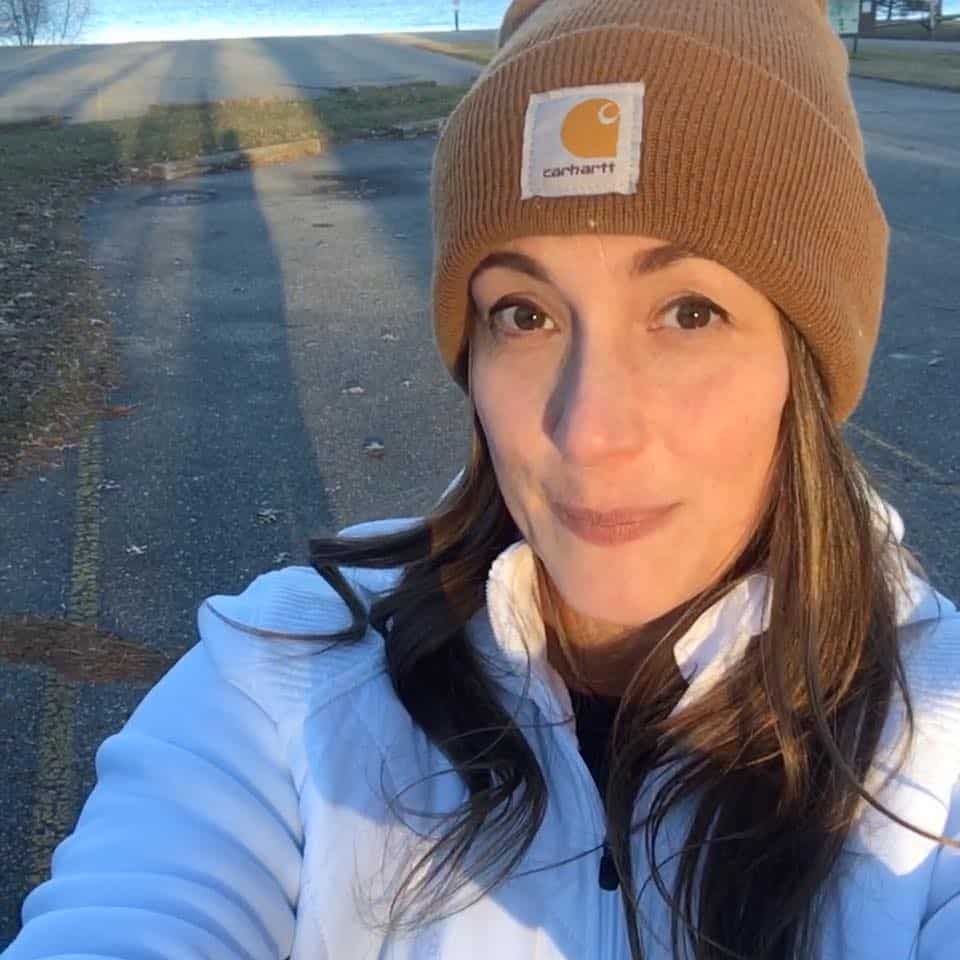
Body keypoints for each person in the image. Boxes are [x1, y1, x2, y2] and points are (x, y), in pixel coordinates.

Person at [5, 1, 960, 958]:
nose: (586, 430)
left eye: (689, 311)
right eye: (524, 314)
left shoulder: (938, 739)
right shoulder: (284, 681)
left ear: (807, 362)